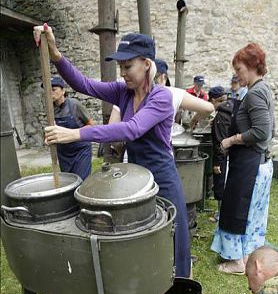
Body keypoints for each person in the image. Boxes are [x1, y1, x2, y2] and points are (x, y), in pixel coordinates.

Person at [33, 25, 191, 278]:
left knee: (172, 233)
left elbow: (131, 129)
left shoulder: (160, 97)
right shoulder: (123, 92)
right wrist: (55, 52)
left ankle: (181, 287)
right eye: (121, 67)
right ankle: (151, 283)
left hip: (162, 176)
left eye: (127, 66)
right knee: (144, 235)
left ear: (146, 65)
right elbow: (82, 84)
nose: (122, 73)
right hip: (136, 178)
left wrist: (76, 134)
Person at [211, 43, 275, 275]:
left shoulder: (256, 93)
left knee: (240, 209)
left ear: (251, 66)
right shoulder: (262, 90)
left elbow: (262, 132)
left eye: (239, 69)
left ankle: (238, 262)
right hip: (257, 161)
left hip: (250, 164)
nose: (236, 74)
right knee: (251, 212)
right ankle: (248, 255)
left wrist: (231, 140)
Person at [48, 76, 94, 180]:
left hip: (80, 150)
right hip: (63, 152)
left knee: (82, 182)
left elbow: (91, 126)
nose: (50, 93)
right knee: (69, 182)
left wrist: (72, 134)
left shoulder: (74, 105)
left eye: (54, 90)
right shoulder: (50, 110)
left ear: (63, 91)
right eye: (48, 90)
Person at [154, 59, 214, 126]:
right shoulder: (174, 93)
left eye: (201, 85)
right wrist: (194, 120)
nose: (200, 86)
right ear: (163, 77)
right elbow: (209, 108)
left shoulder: (204, 95)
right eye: (199, 84)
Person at [208, 86, 237, 221]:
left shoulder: (221, 115)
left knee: (221, 185)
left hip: (224, 157)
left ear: (214, 100)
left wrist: (217, 163)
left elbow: (221, 141)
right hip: (234, 155)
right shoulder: (232, 107)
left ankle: (221, 215)